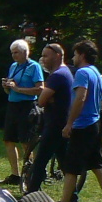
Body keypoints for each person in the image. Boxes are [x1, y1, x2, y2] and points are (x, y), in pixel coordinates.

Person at [60, 39, 102, 202]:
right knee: (97, 165)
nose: (73, 58)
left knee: (71, 168)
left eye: (75, 54)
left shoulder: (82, 72)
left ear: (82, 55)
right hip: (94, 124)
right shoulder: (95, 72)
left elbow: (80, 98)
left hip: (83, 125)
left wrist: (70, 123)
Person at [24, 43, 73, 194]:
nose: (43, 59)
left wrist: (48, 98)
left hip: (54, 125)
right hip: (62, 123)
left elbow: (41, 100)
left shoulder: (57, 75)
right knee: (64, 161)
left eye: (46, 56)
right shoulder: (66, 72)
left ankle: (31, 193)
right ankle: (72, 196)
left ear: (57, 56)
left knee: (40, 160)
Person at [1, 39, 44, 185]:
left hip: (27, 106)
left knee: (26, 141)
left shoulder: (34, 66)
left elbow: (40, 89)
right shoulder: (13, 66)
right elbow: (10, 90)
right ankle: (15, 174)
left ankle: (30, 173)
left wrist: (18, 89)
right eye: (12, 53)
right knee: (8, 139)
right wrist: (6, 86)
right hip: (12, 105)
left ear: (25, 52)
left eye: (16, 52)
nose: (14, 55)